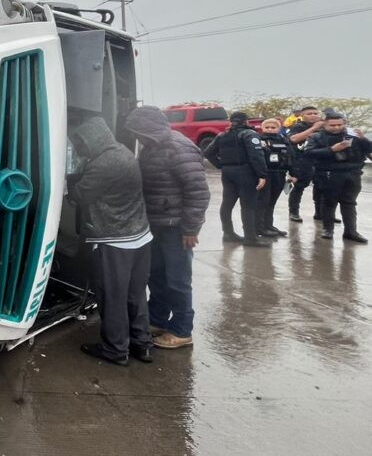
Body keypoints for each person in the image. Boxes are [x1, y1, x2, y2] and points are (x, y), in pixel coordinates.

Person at [68, 117, 154, 366]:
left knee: (113, 298)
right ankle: (142, 344)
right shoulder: (124, 153)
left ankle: (116, 350)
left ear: (92, 140)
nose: (80, 148)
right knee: (135, 295)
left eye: (81, 143)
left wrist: (70, 182)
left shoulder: (103, 163)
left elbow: (80, 196)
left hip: (115, 242)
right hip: (141, 237)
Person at [124, 107, 211, 350]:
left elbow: (198, 192)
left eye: (138, 131)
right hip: (157, 224)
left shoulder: (179, 148)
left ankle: (182, 330)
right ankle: (157, 319)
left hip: (177, 228)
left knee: (178, 279)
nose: (137, 137)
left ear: (148, 128)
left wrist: (191, 228)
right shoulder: (152, 146)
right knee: (157, 275)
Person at [203, 111, 271, 247]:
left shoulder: (222, 135)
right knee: (248, 206)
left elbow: (208, 152)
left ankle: (228, 233)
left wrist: (221, 165)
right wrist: (262, 174)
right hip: (245, 172)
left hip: (228, 172)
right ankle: (250, 238)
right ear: (246, 121)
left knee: (227, 204)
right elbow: (256, 156)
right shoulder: (249, 134)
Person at [304, 112, 372, 243]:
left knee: (349, 203)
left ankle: (351, 232)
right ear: (325, 124)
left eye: (339, 125)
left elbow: (369, 149)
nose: (336, 127)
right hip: (329, 173)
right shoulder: (317, 137)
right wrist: (331, 150)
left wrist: (363, 138)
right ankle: (328, 230)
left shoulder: (353, 135)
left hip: (352, 173)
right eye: (332, 125)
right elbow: (308, 153)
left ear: (344, 123)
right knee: (329, 202)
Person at [257, 118, 295, 237]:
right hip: (265, 174)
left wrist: (293, 174)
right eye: (267, 127)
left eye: (273, 127)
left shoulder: (284, 140)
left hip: (280, 173)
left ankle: (269, 225)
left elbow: (291, 157)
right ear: (262, 128)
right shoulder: (258, 140)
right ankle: (259, 228)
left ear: (279, 128)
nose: (270, 129)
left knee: (272, 201)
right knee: (263, 201)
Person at [286, 106, 324, 222]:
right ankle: (293, 212)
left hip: (321, 161)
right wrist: (314, 128)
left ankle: (320, 213)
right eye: (309, 113)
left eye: (315, 113)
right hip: (302, 161)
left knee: (321, 187)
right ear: (302, 115)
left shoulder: (324, 127)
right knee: (298, 187)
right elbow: (293, 139)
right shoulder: (298, 126)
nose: (313, 115)